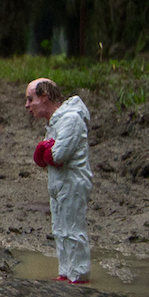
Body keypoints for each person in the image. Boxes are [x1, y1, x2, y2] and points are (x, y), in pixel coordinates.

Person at [26, 78, 92, 283]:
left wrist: (45, 149)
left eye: (30, 99)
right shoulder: (55, 122)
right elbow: (50, 155)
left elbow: (57, 155)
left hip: (72, 183)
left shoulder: (70, 119)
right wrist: (48, 148)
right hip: (60, 183)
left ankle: (79, 275)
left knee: (73, 230)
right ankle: (66, 272)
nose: (27, 105)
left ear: (44, 97)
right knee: (60, 229)